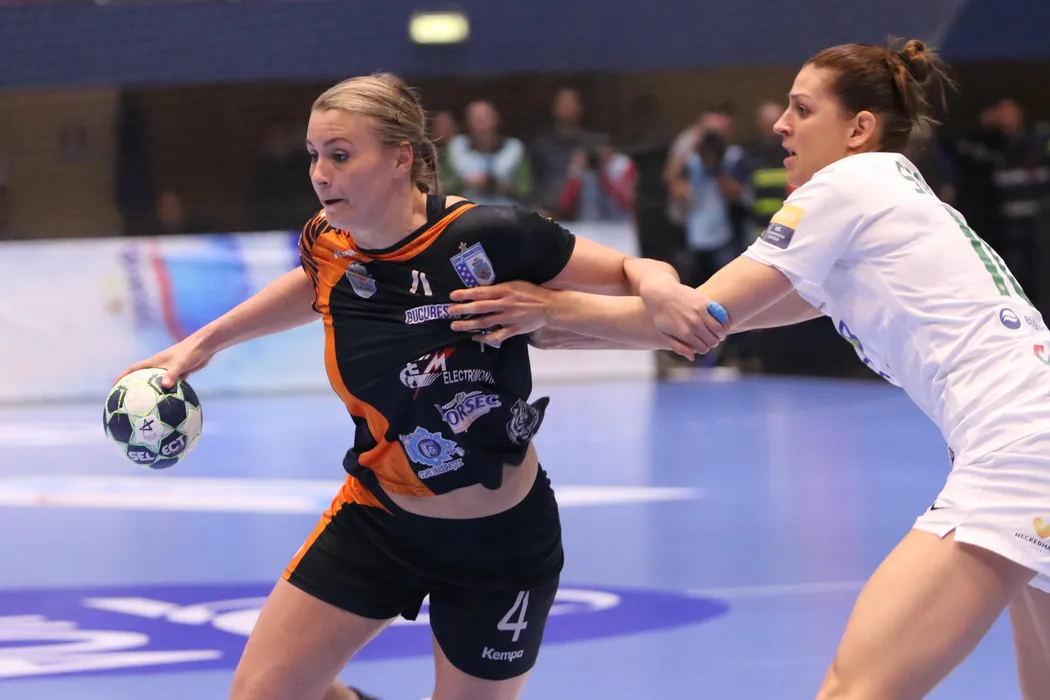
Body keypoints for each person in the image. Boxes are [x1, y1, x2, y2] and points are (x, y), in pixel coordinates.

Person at [448, 39, 1050, 699]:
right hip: (1033, 444)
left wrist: (552, 307)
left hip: (1019, 452)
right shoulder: (890, 200)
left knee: (857, 688)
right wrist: (560, 326)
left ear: (859, 129)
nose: (780, 125)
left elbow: (701, 312)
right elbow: (717, 323)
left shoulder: (848, 185)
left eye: (802, 109)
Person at [115, 72, 686, 700]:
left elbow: (632, 269)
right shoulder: (328, 245)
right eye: (314, 155)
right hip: (378, 520)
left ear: (399, 158)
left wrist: (662, 289)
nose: (320, 174)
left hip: (500, 541)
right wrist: (204, 343)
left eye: (340, 155)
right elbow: (313, 283)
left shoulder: (489, 236)